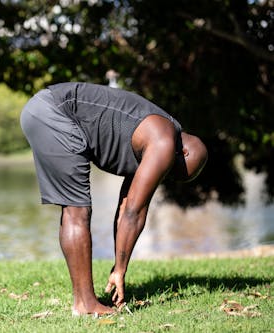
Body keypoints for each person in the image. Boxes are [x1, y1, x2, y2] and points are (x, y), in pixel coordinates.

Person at [20, 82, 208, 316]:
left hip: (43, 109)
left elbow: (127, 207)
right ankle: (85, 305)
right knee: (76, 210)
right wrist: (120, 269)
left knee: (76, 209)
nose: (165, 173)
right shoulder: (163, 142)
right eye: (172, 170)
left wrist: (119, 267)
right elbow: (135, 213)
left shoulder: (155, 135)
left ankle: (85, 302)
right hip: (54, 112)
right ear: (183, 152)